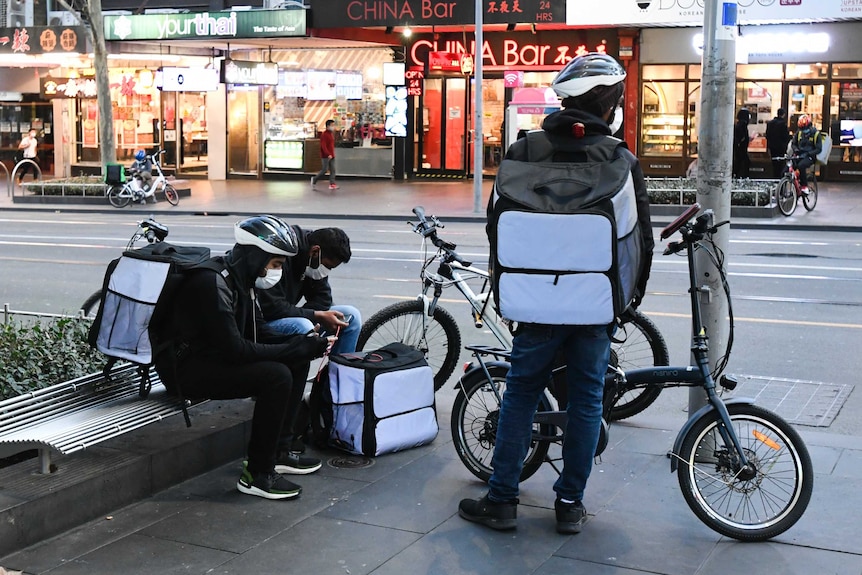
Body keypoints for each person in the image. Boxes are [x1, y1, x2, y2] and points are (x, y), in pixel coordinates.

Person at [458, 53, 653, 534]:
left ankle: (502, 501)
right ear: (611, 105)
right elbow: (639, 241)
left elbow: (496, 229)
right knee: (587, 400)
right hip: (595, 303)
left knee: (521, 395)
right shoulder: (620, 159)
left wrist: (512, 292)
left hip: (535, 303)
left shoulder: (524, 153)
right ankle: (569, 504)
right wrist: (625, 303)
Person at [156, 215, 333, 500]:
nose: (275, 272)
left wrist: (302, 345)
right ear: (256, 256)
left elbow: (258, 329)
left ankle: (279, 452)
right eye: (274, 264)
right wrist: (294, 348)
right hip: (186, 371)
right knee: (276, 376)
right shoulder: (211, 283)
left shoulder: (242, 279)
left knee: (295, 359)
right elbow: (236, 349)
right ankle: (257, 474)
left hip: (212, 359)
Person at [257, 226, 360, 356]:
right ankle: (296, 375)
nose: (326, 272)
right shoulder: (282, 256)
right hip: (264, 321)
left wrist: (314, 316)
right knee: (303, 326)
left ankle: (339, 373)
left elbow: (323, 298)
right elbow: (272, 307)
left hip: (288, 314)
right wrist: (314, 316)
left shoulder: (314, 260)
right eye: (327, 266)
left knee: (351, 315)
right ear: (315, 251)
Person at [791, 114, 822, 195]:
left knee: (801, 166)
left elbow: (819, 149)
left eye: (804, 128)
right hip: (799, 155)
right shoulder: (799, 133)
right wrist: (796, 150)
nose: (803, 130)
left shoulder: (816, 134)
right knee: (787, 168)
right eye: (801, 128)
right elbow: (793, 143)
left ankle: (804, 186)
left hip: (810, 157)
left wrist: (808, 153)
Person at [311, 119, 338, 190]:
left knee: (333, 170)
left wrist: (332, 154)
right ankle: (314, 179)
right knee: (324, 170)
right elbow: (323, 146)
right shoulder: (324, 135)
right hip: (325, 156)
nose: (333, 127)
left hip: (332, 155)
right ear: (328, 126)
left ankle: (332, 184)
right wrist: (328, 154)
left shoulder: (331, 134)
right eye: (332, 125)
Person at [766, 108, 792, 178]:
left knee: (774, 164)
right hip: (781, 147)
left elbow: (767, 135)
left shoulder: (770, 123)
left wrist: (768, 146)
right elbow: (786, 137)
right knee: (781, 164)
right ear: (783, 115)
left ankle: (774, 177)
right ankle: (779, 178)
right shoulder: (783, 124)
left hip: (772, 147)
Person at [732, 108, 752, 179]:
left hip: (739, 149)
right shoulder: (742, 125)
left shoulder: (738, 125)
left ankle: (737, 176)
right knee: (743, 163)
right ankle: (742, 178)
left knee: (739, 163)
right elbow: (741, 137)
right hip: (741, 149)